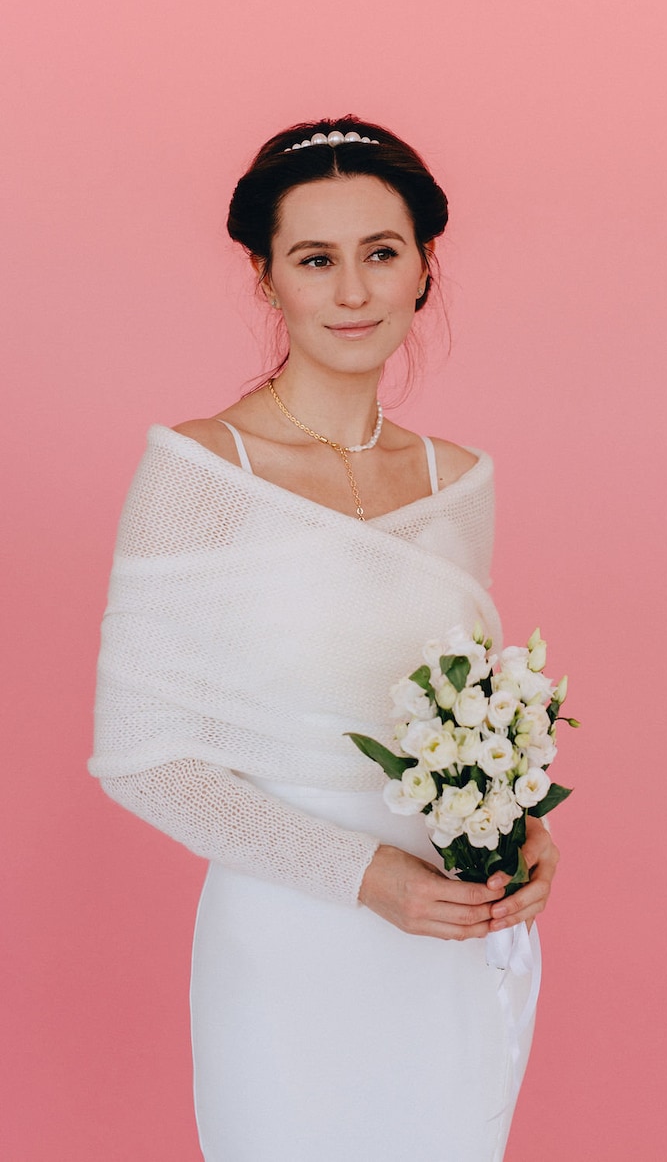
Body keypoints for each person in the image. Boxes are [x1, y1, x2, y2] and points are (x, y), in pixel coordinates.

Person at [89, 116, 560, 1162]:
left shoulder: (456, 482)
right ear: (266, 278)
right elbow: (143, 759)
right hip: (292, 940)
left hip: (449, 943)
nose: (352, 292)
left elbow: (464, 716)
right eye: (315, 259)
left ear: (421, 270)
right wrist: (367, 879)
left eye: (379, 255)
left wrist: (518, 838)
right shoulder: (201, 475)